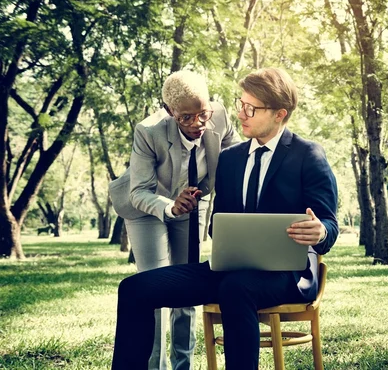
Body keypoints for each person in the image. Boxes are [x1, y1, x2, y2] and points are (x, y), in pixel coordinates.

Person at [111, 67, 339, 370]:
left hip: (290, 275)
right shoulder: (230, 159)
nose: (241, 114)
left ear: (279, 114)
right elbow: (220, 221)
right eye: (240, 104)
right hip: (232, 269)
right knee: (134, 289)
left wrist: (320, 231)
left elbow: (329, 225)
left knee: (236, 288)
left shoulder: (309, 155)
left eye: (251, 108)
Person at [108, 70, 240, 370]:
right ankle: (156, 366)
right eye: (186, 117)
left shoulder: (219, 116)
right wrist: (169, 206)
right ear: (169, 112)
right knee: (152, 287)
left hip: (194, 201)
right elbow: (140, 190)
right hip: (146, 205)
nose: (197, 123)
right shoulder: (149, 130)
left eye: (202, 113)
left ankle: (184, 365)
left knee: (188, 284)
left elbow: (234, 161)